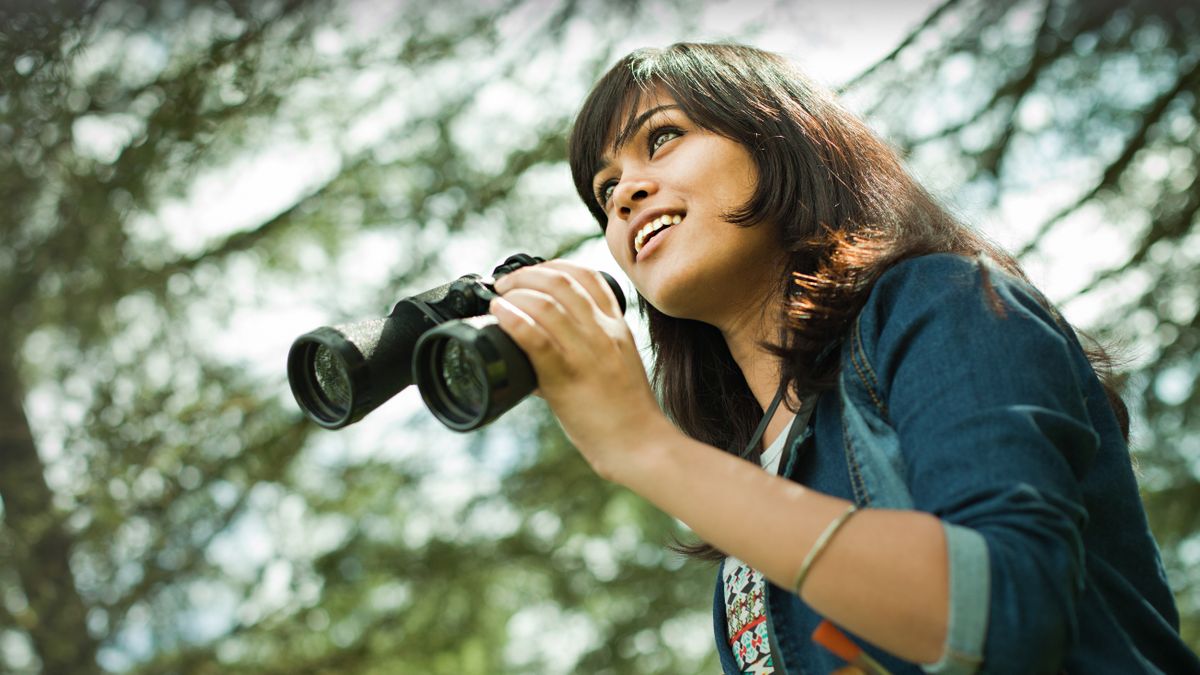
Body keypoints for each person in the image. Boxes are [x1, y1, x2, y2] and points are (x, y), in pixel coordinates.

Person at [485, 42, 1200, 673]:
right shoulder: (746, 493)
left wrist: (644, 446)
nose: (626, 195)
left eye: (663, 138)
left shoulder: (943, 302)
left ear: (781, 138)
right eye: (605, 191)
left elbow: (1006, 616)